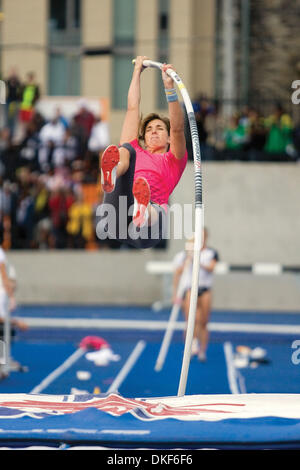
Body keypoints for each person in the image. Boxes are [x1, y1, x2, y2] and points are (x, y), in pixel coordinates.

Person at [98, 55, 187, 249]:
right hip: (117, 217)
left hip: (149, 229)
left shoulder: (173, 160)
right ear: (144, 138)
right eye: (149, 129)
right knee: (126, 149)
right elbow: (132, 108)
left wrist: (169, 88)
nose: (153, 131)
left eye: (160, 128)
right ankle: (112, 173)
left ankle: (144, 209)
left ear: (169, 138)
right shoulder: (136, 151)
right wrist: (137, 71)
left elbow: (178, 128)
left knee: (156, 210)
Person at [172, 228, 219, 362]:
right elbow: (178, 273)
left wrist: (197, 261)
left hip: (204, 290)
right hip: (190, 290)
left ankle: (202, 351)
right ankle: (190, 347)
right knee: (190, 322)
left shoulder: (211, 253)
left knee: (204, 322)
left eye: (203, 236)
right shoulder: (185, 254)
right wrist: (175, 294)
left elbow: (211, 268)